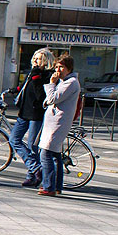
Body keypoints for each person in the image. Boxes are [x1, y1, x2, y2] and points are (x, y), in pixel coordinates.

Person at [9, 48, 55, 187]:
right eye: (35, 57)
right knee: (14, 139)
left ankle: (33, 175)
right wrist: (12, 90)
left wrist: (36, 78)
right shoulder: (33, 73)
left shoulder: (48, 75)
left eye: (39, 58)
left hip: (36, 114)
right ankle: (36, 169)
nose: (36, 60)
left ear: (46, 61)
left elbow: (41, 96)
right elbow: (24, 88)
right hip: (24, 112)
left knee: (32, 146)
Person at [37, 54, 81, 196]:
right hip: (54, 121)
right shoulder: (64, 82)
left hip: (58, 122)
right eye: (56, 66)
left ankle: (49, 187)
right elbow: (52, 99)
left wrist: (51, 83)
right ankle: (56, 186)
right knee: (56, 155)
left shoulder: (71, 82)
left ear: (69, 68)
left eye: (61, 67)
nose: (58, 70)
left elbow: (53, 98)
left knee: (46, 153)